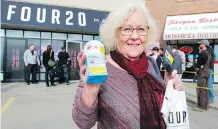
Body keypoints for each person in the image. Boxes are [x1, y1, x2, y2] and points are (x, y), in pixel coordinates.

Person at [72, 3, 183, 129]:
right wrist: (91, 89)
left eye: (141, 29)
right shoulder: (99, 68)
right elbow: (83, 122)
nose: (135, 37)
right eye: (127, 29)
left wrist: (169, 88)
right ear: (115, 33)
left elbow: (163, 109)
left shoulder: (151, 63)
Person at [193, 40, 211, 112]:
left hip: (202, 73)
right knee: (205, 89)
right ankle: (206, 105)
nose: (200, 45)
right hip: (207, 72)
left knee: (201, 89)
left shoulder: (203, 53)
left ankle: (201, 106)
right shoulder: (208, 53)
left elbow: (199, 64)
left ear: (203, 44)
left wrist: (197, 67)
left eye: (201, 44)